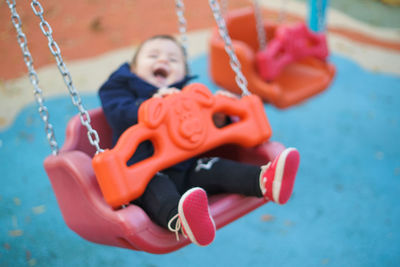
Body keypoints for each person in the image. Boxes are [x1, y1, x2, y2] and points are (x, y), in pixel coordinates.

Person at [99, 35, 300, 247]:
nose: (164, 60)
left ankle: (266, 181)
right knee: (158, 190)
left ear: (184, 73)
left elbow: (208, 131)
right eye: (153, 55)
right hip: (144, 173)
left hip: (188, 167)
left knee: (215, 166)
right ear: (133, 69)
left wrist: (220, 117)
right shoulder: (118, 90)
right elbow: (118, 114)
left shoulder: (188, 94)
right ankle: (181, 220)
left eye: (174, 59)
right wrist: (152, 103)